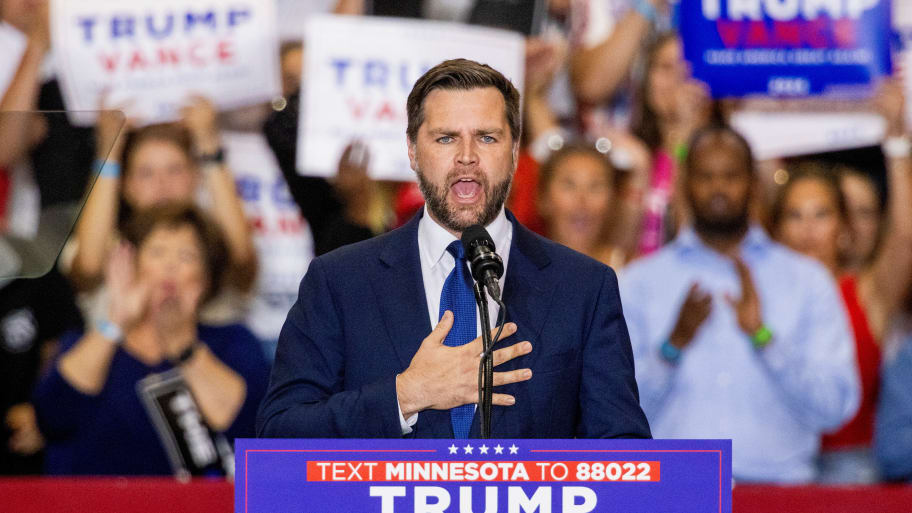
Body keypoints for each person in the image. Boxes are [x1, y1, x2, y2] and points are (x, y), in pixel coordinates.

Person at [258, 58, 651, 439]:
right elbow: (279, 434)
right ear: (412, 151)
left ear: (514, 153)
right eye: (446, 138)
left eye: (487, 137)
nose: (467, 156)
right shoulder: (340, 281)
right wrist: (406, 395)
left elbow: (623, 454)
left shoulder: (583, 287)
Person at [619, 124, 859, 483]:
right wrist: (673, 345)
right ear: (685, 186)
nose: (718, 188)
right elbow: (616, 415)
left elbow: (836, 406)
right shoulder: (640, 281)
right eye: (706, 176)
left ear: (754, 185)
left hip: (781, 494)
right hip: (672, 494)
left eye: (731, 176)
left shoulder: (807, 280)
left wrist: (764, 339)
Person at [33, 204, 269, 475]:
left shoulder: (234, 343)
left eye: (186, 256)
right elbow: (52, 417)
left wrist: (184, 348)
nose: (170, 265)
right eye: (157, 252)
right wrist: (115, 323)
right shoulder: (86, 344)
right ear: (131, 265)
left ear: (206, 278)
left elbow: (251, 430)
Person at [770, 81, 912, 483]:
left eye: (822, 215)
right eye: (795, 216)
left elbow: (904, 236)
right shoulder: (757, 291)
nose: (808, 230)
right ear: (775, 231)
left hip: (853, 468)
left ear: (845, 229)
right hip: (776, 463)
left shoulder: (867, 293)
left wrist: (898, 139)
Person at [67, 100, 257, 322]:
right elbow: (88, 268)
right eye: (146, 173)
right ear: (126, 186)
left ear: (195, 177)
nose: (162, 183)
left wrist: (208, 143)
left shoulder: (213, 244)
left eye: (174, 169)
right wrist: (108, 152)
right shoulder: (108, 246)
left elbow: (242, 260)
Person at [630, 32, 711, 255]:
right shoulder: (628, 151)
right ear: (646, 78)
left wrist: (683, 136)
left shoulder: (723, 156)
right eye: (665, 67)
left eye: (687, 69)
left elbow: (691, 232)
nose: (677, 79)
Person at [537, 144, 627, 268]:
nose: (582, 200)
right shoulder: (514, 271)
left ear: (612, 201)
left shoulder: (634, 274)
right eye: (569, 185)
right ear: (544, 198)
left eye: (595, 186)